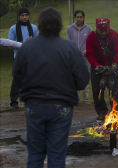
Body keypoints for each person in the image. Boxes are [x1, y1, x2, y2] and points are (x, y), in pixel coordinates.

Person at [13, 7, 89, 167]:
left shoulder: (26, 48)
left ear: (38, 26)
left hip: (33, 105)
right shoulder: (70, 48)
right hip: (61, 106)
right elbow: (82, 81)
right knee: (56, 154)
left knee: (35, 154)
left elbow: (17, 77)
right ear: (61, 26)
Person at [86, 18, 118, 120]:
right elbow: (90, 54)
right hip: (97, 67)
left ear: (109, 28)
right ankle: (101, 111)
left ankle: (116, 111)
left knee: (114, 89)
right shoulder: (91, 37)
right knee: (97, 90)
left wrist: (115, 63)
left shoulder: (114, 35)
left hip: (111, 66)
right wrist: (96, 65)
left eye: (105, 31)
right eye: (101, 31)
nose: (103, 33)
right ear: (96, 29)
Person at [8, 7, 39, 109]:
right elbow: (10, 43)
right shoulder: (13, 28)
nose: (24, 17)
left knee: (32, 78)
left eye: (26, 15)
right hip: (18, 57)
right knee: (16, 79)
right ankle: (14, 101)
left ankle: (31, 99)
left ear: (29, 16)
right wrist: (23, 44)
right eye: (22, 15)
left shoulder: (34, 28)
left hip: (31, 57)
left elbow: (39, 41)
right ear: (19, 16)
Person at [67, 9, 92, 104]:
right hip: (73, 57)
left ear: (83, 17)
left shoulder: (88, 29)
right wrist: (74, 52)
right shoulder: (70, 28)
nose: (79, 19)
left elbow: (90, 43)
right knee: (73, 77)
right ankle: (75, 98)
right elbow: (68, 42)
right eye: (77, 17)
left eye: (81, 17)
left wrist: (84, 51)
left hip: (85, 57)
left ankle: (86, 99)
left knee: (86, 76)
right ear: (75, 18)